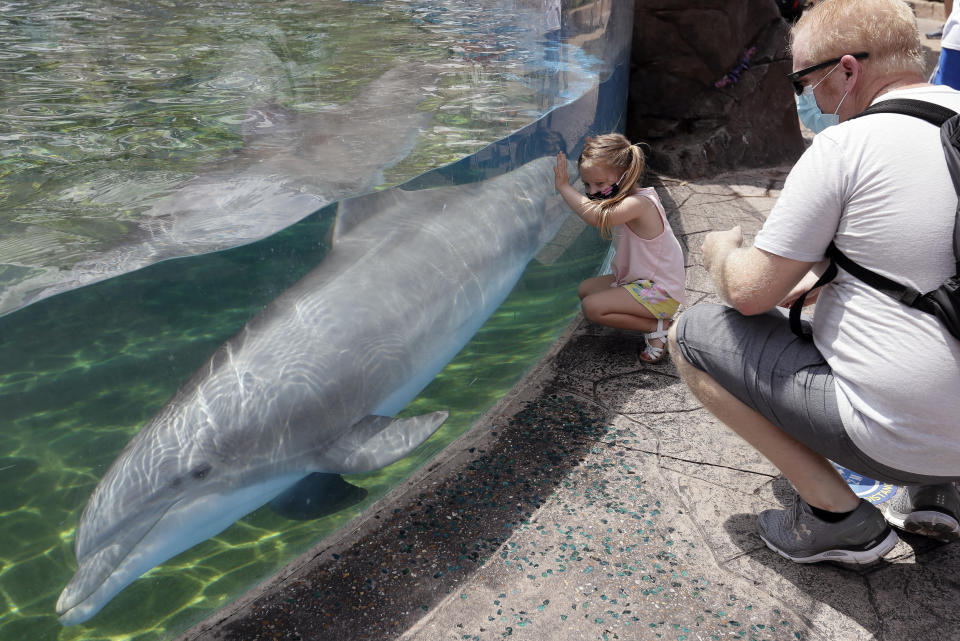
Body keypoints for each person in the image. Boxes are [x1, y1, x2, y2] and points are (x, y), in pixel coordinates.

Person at [668, 0, 960, 565]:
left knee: (694, 333)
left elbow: (751, 293)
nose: (805, 100)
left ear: (848, 70)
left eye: (806, 81)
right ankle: (940, 495)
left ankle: (837, 518)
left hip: (897, 436)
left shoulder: (846, 147)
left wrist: (721, 254)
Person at [553, 134, 686, 363]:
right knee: (586, 289)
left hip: (660, 292)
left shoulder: (639, 204)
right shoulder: (625, 196)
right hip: (640, 283)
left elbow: (597, 217)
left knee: (592, 307)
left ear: (625, 174)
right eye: (586, 184)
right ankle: (647, 318)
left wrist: (564, 187)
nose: (592, 191)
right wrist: (601, 151)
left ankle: (658, 326)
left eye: (600, 184)